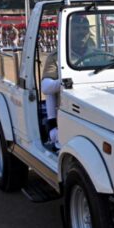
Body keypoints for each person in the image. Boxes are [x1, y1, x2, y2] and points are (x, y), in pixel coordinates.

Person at [41, 15, 98, 149]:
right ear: (69, 32)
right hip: (70, 111)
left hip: (95, 107)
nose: (82, 32)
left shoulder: (97, 55)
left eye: (84, 28)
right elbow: (46, 87)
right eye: (77, 29)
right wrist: (65, 82)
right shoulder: (57, 57)